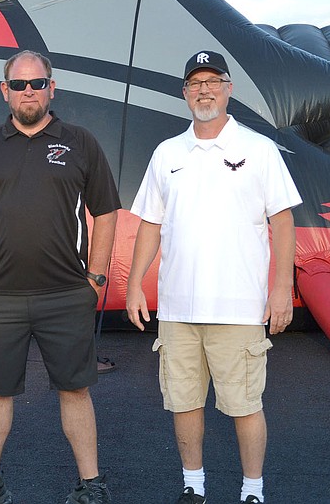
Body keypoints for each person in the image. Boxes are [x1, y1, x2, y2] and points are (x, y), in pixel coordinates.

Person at [126, 50, 301, 504]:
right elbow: (150, 223)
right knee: (183, 403)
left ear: (229, 88)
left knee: (245, 405)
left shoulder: (258, 149)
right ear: (184, 93)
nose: (204, 90)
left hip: (239, 307)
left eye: (213, 81)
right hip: (178, 308)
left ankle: (253, 490)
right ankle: (194, 486)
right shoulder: (167, 153)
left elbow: (282, 221)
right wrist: (132, 284)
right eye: (195, 83)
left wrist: (281, 290)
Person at [0, 50, 120, 504]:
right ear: (4, 91)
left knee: (75, 391)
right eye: (20, 85)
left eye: (37, 84)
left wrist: (95, 279)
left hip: (66, 295)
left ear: (52, 87)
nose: (29, 92)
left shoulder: (80, 141)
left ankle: (92, 485)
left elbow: (105, 212)